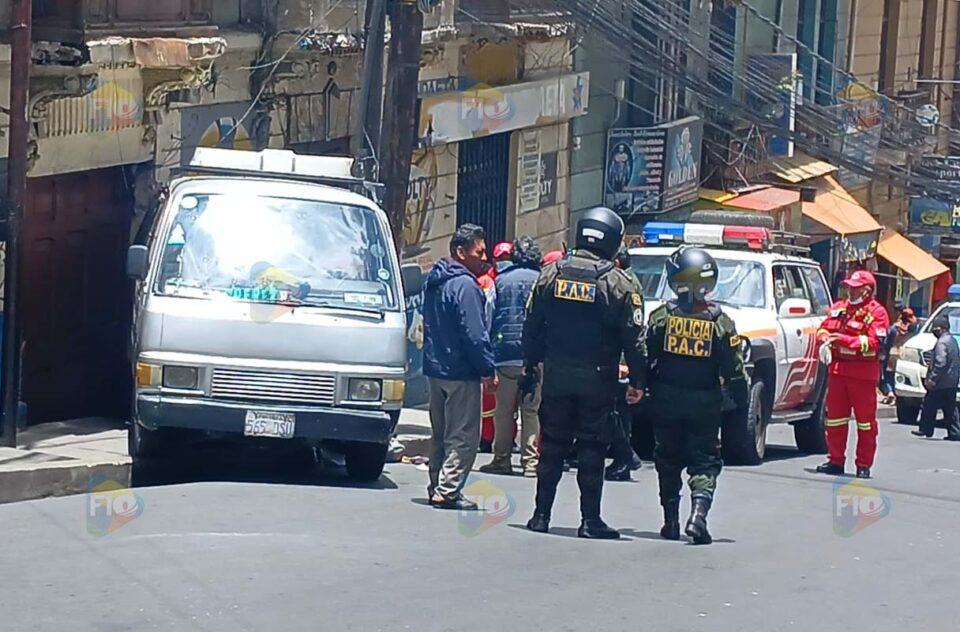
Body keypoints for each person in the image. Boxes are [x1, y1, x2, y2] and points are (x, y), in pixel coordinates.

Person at [522, 207, 647, 539]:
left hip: (557, 376)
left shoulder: (549, 274)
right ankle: (590, 520)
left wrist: (530, 368)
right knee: (592, 448)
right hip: (598, 379)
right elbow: (635, 341)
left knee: (552, 447)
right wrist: (638, 382)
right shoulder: (619, 284)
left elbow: (531, 326)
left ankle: (540, 515)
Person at [646, 247, 747, 545]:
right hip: (705, 403)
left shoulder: (661, 318)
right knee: (703, 462)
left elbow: (644, 354)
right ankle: (698, 516)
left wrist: (640, 384)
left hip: (665, 400)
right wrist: (740, 401)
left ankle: (671, 522)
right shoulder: (720, 323)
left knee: (667, 458)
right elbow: (735, 369)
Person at [422, 224, 497, 510]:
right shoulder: (465, 286)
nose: (484, 257)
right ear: (460, 252)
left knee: (440, 434)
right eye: (479, 252)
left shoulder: (435, 280)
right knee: (463, 436)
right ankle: (448, 489)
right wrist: (487, 370)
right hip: (460, 372)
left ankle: (437, 485)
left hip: (436, 368)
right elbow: (475, 334)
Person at [815, 270, 890, 479]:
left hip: (862, 374)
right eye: (849, 287)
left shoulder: (877, 313)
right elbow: (823, 328)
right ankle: (835, 460)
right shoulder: (839, 307)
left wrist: (841, 340)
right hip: (838, 371)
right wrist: (824, 341)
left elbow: (873, 343)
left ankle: (863, 464)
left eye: (855, 287)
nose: (850, 290)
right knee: (835, 420)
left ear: (868, 290)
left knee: (865, 423)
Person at [480, 236, 543, 477]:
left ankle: (501, 459)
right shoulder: (543, 280)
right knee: (531, 410)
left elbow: (488, 316)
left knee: (504, 411)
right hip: (535, 357)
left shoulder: (501, 281)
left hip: (505, 355)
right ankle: (530, 463)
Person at [606, 247, 645, 482]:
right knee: (616, 410)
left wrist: (626, 363)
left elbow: (631, 327)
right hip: (619, 354)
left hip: (620, 356)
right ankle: (624, 456)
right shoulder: (627, 280)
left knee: (615, 410)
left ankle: (626, 457)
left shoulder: (627, 284)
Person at [913, 315, 960, 441]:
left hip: (940, 382)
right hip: (952, 381)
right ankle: (954, 432)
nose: (935, 331)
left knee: (929, 405)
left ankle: (925, 429)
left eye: (936, 329)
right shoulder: (953, 341)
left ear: (943, 329)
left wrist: (932, 379)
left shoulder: (942, 342)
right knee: (950, 408)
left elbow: (941, 362)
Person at [879, 307, 917, 404]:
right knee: (900, 375)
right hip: (905, 355)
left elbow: (887, 343)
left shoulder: (893, 329)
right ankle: (898, 393)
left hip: (893, 354)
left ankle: (891, 392)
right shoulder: (913, 329)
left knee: (888, 375)